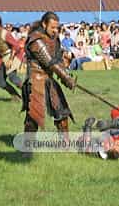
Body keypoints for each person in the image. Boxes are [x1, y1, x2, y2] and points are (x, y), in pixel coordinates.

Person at [22, 12, 76, 157]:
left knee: (62, 112)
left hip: (49, 79)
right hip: (36, 81)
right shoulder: (36, 40)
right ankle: (27, 149)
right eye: (52, 28)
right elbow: (49, 62)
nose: (55, 31)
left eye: (57, 28)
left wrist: (66, 76)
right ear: (44, 24)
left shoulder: (55, 39)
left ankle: (65, 146)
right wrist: (65, 77)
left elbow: (57, 60)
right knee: (34, 117)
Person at [0, 14, 23, 101]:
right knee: (1, 82)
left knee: (13, 78)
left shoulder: (5, 33)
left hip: (11, 56)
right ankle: (16, 96)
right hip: (1, 59)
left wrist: (11, 60)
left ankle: (30, 94)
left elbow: (16, 46)